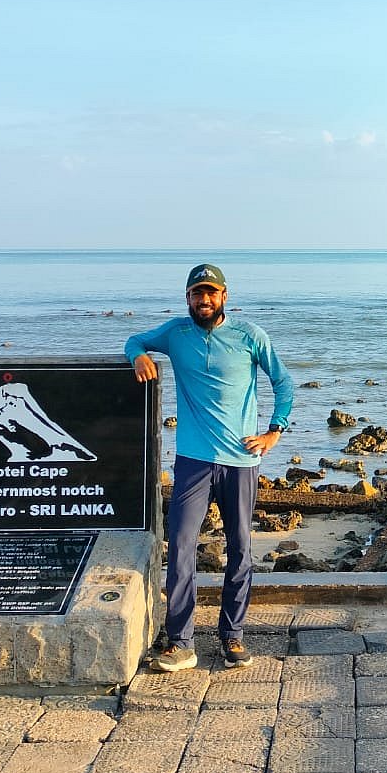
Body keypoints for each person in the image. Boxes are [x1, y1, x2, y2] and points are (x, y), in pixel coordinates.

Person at [125, 262, 294, 671]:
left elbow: (283, 383)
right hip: (194, 461)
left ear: (224, 296)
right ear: (187, 298)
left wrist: (274, 431)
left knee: (240, 548)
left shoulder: (250, 335)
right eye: (197, 293)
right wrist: (138, 357)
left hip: (240, 461)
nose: (204, 299)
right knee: (181, 545)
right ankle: (181, 641)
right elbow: (134, 339)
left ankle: (232, 637)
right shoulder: (175, 334)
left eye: (211, 293)